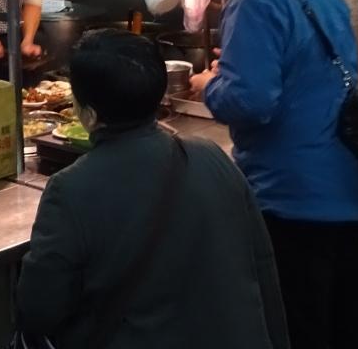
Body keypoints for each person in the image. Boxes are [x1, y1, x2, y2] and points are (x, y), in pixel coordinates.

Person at [189, 0, 358, 349]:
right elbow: (316, 75)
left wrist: (210, 84)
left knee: (299, 327)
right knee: (349, 321)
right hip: (340, 181)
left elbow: (252, 102)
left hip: (289, 194)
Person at [17, 30, 288, 349]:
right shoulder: (212, 156)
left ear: (88, 115)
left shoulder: (70, 190)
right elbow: (263, 266)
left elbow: (38, 311)